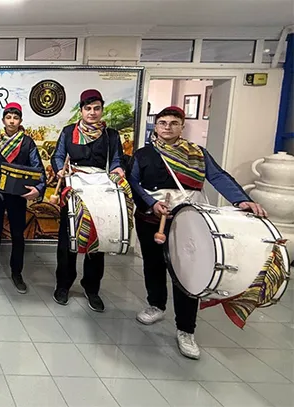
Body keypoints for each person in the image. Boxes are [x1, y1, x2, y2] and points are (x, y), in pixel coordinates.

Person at [129, 105, 266, 360]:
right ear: (156, 126)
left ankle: (186, 329)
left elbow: (219, 177)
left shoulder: (197, 154)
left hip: (189, 218)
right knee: (153, 264)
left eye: (174, 123)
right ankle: (156, 304)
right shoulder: (143, 154)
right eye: (163, 123)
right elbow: (133, 182)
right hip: (152, 217)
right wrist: (151, 203)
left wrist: (241, 200)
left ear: (182, 127)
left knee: (187, 272)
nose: (167, 127)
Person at [51, 89, 124, 312]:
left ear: (102, 110)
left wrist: (117, 169)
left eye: (96, 108)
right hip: (74, 187)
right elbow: (58, 156)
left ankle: (91, 288)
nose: (92, 112)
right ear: (81, 110)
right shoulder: (69, 132)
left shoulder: (111, 135)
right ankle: (63, 285)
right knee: (68, 240)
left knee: (97, 238)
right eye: (88, 108)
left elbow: (117, 159)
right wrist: (59, 169)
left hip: (100, 190)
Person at [0, 102, 46, 294]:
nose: (12, 121)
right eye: (8, 117)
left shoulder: (27, 143)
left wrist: (38, 189)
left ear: (20, 121)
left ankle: (17, 272)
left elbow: (38, 169)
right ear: (3, 120)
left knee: (17, 234)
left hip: (18, 195)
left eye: (16, 118)